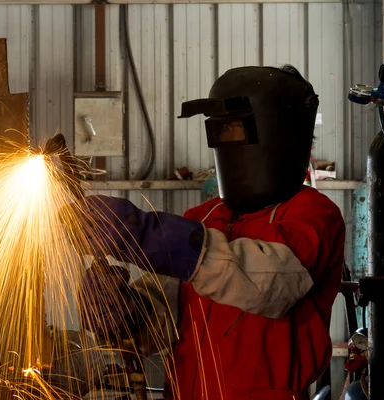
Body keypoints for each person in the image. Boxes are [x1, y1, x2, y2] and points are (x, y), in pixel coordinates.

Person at [69, 65, 345, 400]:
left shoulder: (312, 214)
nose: (229, 145)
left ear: (278, 134)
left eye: (236, 130)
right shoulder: (203, 216)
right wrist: (127, 311)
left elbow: (266, 285)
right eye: (221, 131)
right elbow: (165, 319)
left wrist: (145, 235)